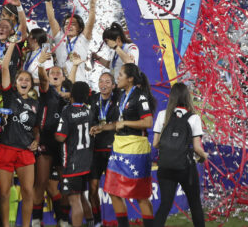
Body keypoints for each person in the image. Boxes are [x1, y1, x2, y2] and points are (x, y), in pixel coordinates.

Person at [103, 63, 155, 227]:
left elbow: (148, 122)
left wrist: (125, 122)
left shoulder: (140, 96)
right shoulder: (121, 95)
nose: (117, 77)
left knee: (140, 196)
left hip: (135, 150)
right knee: (112, 191)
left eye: (120, 75)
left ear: (130, 79)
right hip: (119, 147)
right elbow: (119, 123)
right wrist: (103, 127)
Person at [0, 42, 39, 227]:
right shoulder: (9, 95)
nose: (24, 82)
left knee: (28, 192)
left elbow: (37, 128)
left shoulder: (36, 103)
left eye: (27, 80)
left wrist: (37, 140)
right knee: (4, 193)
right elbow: (5, 66)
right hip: (5, 148)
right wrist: (12, 44)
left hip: (25, 151)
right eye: (21, 79)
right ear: (15, 82)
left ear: (31, 84)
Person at [153, 83, 208, 227]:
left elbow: (155, 144)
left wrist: (170, 148)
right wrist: (204, 156)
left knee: (165, 205)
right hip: (186, 168)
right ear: (186, 97)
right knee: (195, 204)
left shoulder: (162, 115)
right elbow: (197, 148)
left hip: (165, 167)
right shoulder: (194, 118)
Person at [33, 53, 69, 227]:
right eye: (51, 71)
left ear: (63, 77)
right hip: (46, 140)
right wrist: (40, 64)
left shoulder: (68, 96)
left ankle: (63, 219)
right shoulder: (46, 91)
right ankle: (36, 220)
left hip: (63, 143)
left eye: (58, 72)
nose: (55, 73)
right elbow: (42, 79)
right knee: (41, 182)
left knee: (64, 185)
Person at [39, 0, 99, 81]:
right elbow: (51, 19)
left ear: (80, 28)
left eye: (73, 24)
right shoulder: (59, 37)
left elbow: (90, 22)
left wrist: (92, 5)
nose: (69, 26)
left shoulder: (83, 39)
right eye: (66, 24)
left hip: (78, 83)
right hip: (60, 83)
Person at [55, 82, 95, 227]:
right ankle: (91, 223)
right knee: (81, 196)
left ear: (71, 94)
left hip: (72, 162)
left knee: (74, 201)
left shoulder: (67, 111)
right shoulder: (88, 111)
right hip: (86, 162)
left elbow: (60, 136)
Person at [89, 72, 120, 227]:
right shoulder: (93, 99)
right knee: (93, 189)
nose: (103, 84)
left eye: (108, 82)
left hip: (112, 150)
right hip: (94, 151)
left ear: (113, 85)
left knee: (114, 190)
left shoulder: (119, 100)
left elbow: (119, 124)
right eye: (101, 81)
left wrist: (102, 127)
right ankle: (97, 221)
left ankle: (119, 221)